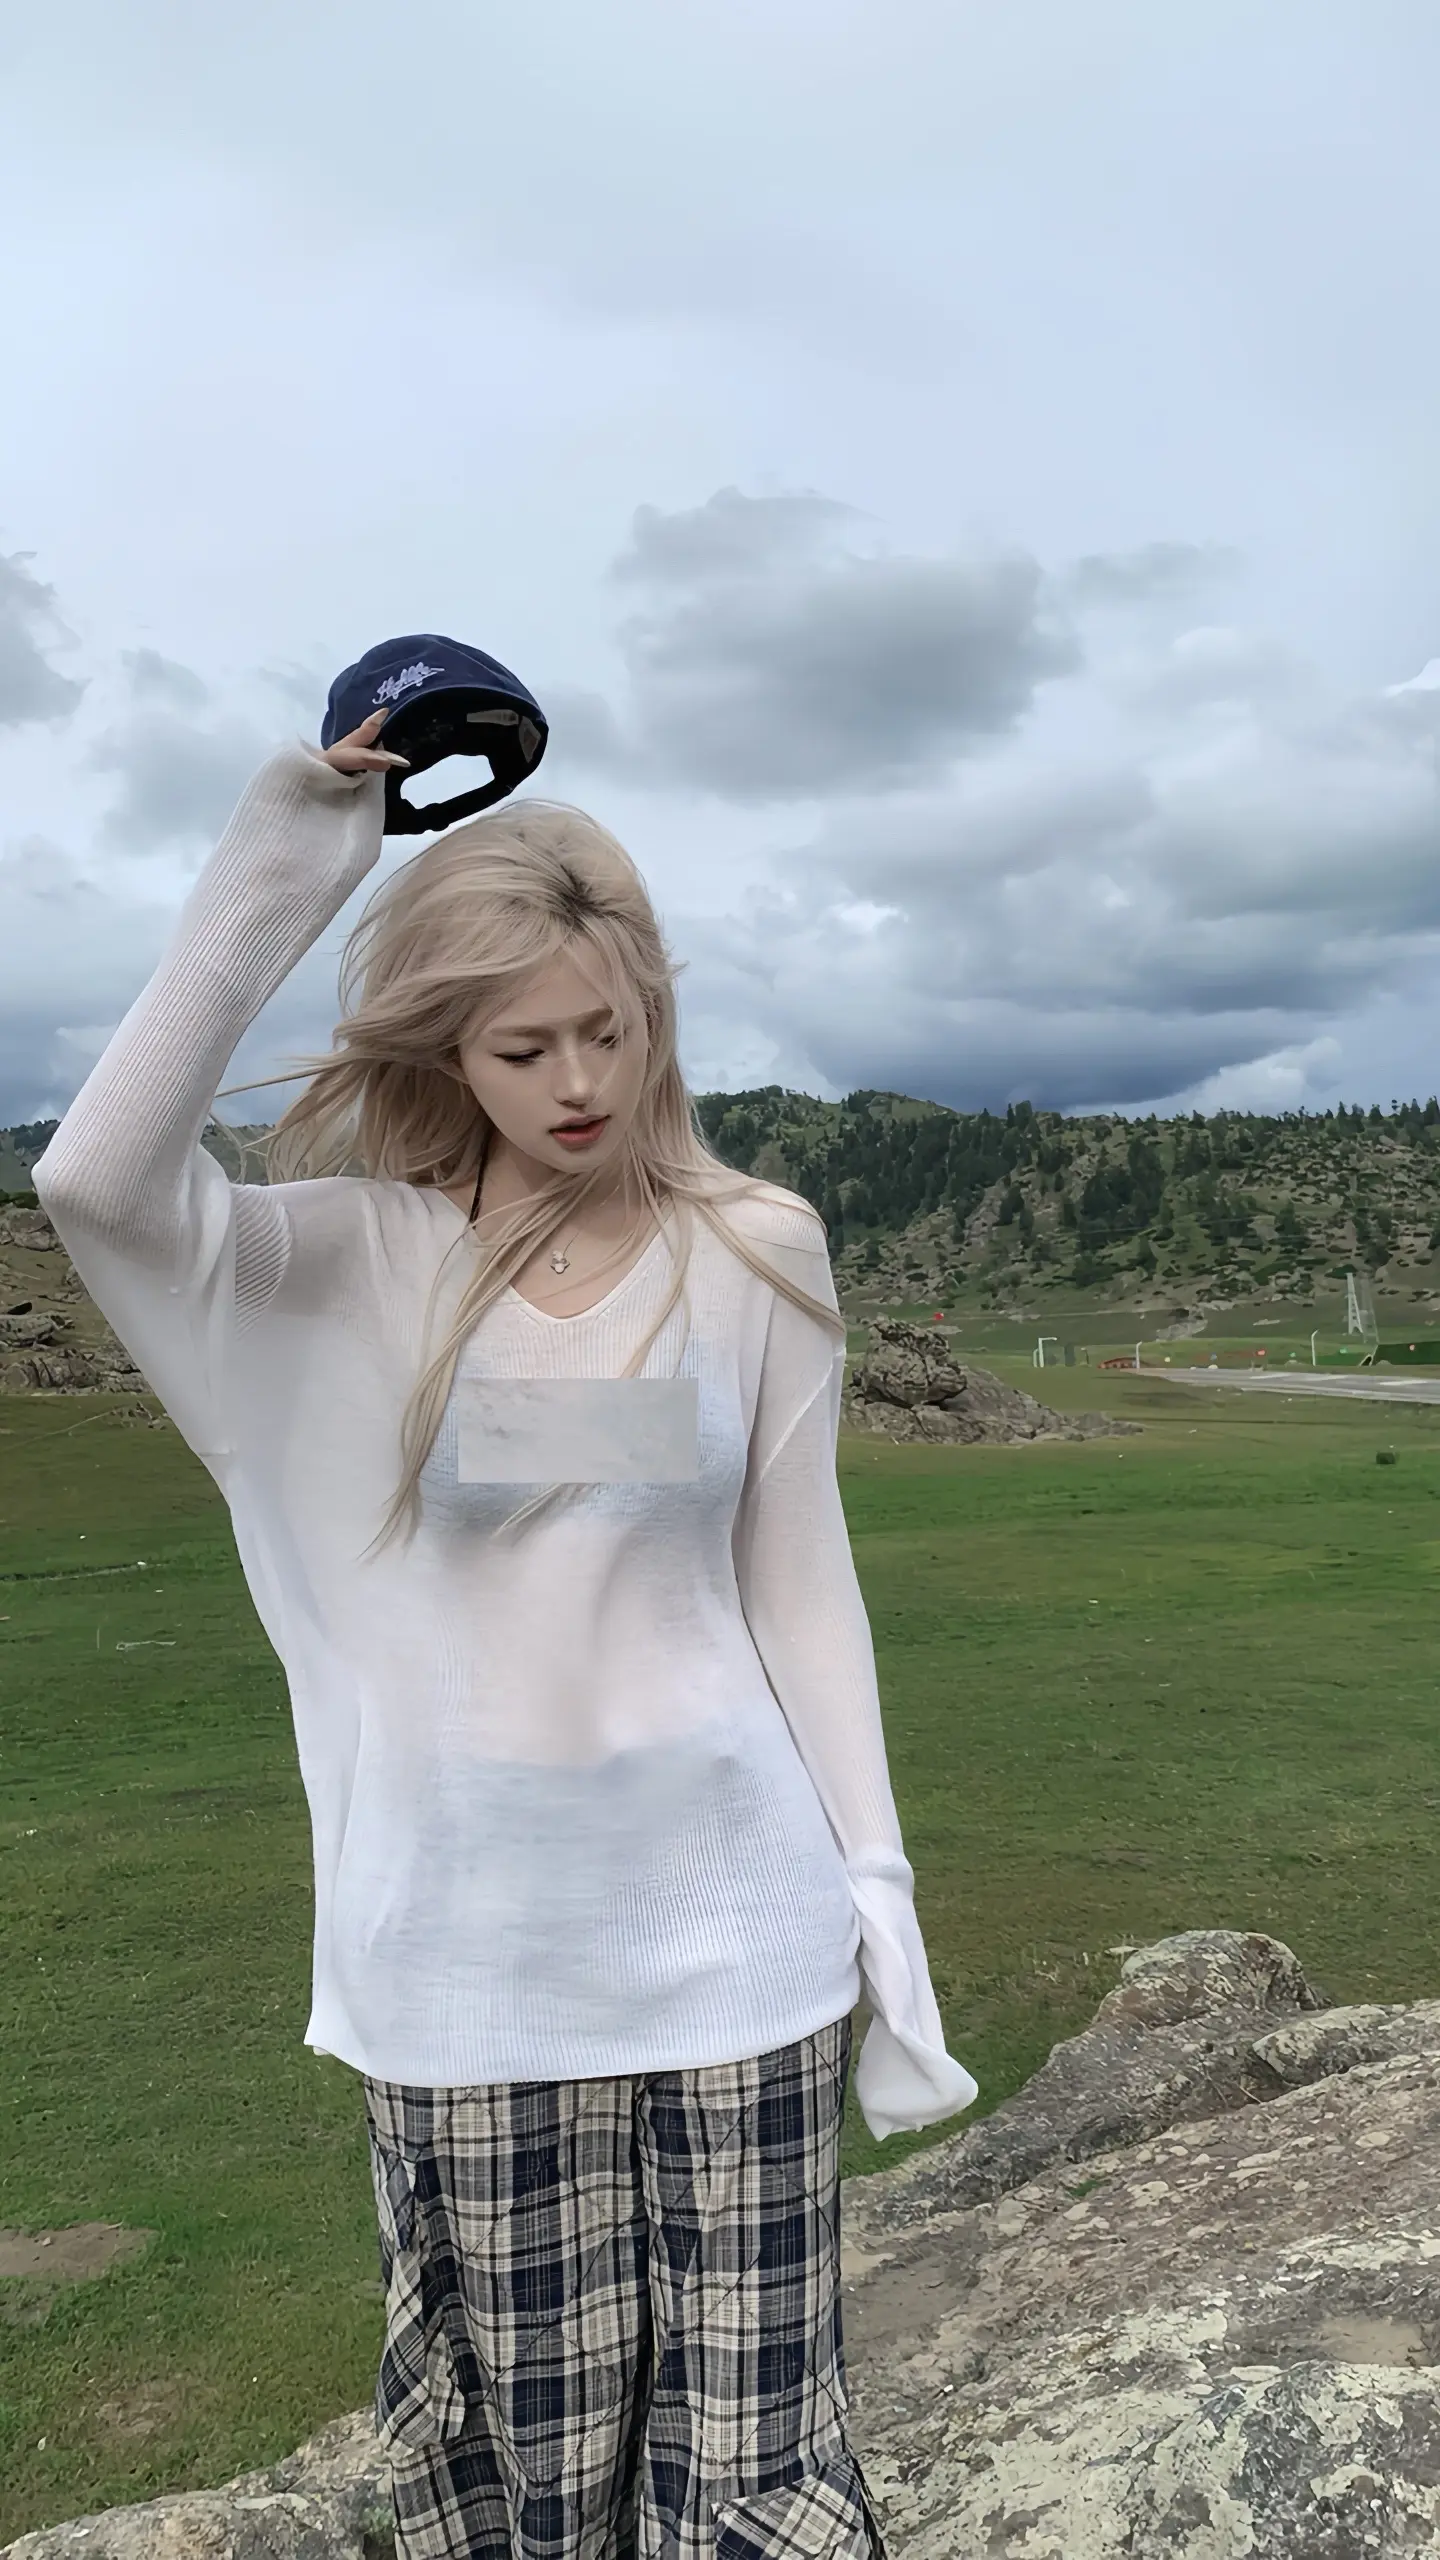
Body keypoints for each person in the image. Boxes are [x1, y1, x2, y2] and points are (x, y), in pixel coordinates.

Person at [34, 711, 978, 2560]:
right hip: (468, 1975)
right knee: (523, 2486)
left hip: (743, 1953)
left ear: (657, 1014)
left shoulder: (757, 1246)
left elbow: (799, 1575)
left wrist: (877, 1879)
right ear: (448, 1050)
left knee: (757, 2482)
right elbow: (96, 1183)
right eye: (522, 1046)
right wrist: (297, 847)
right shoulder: (348, 1263)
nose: (579, 1083)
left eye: (609, 1032)